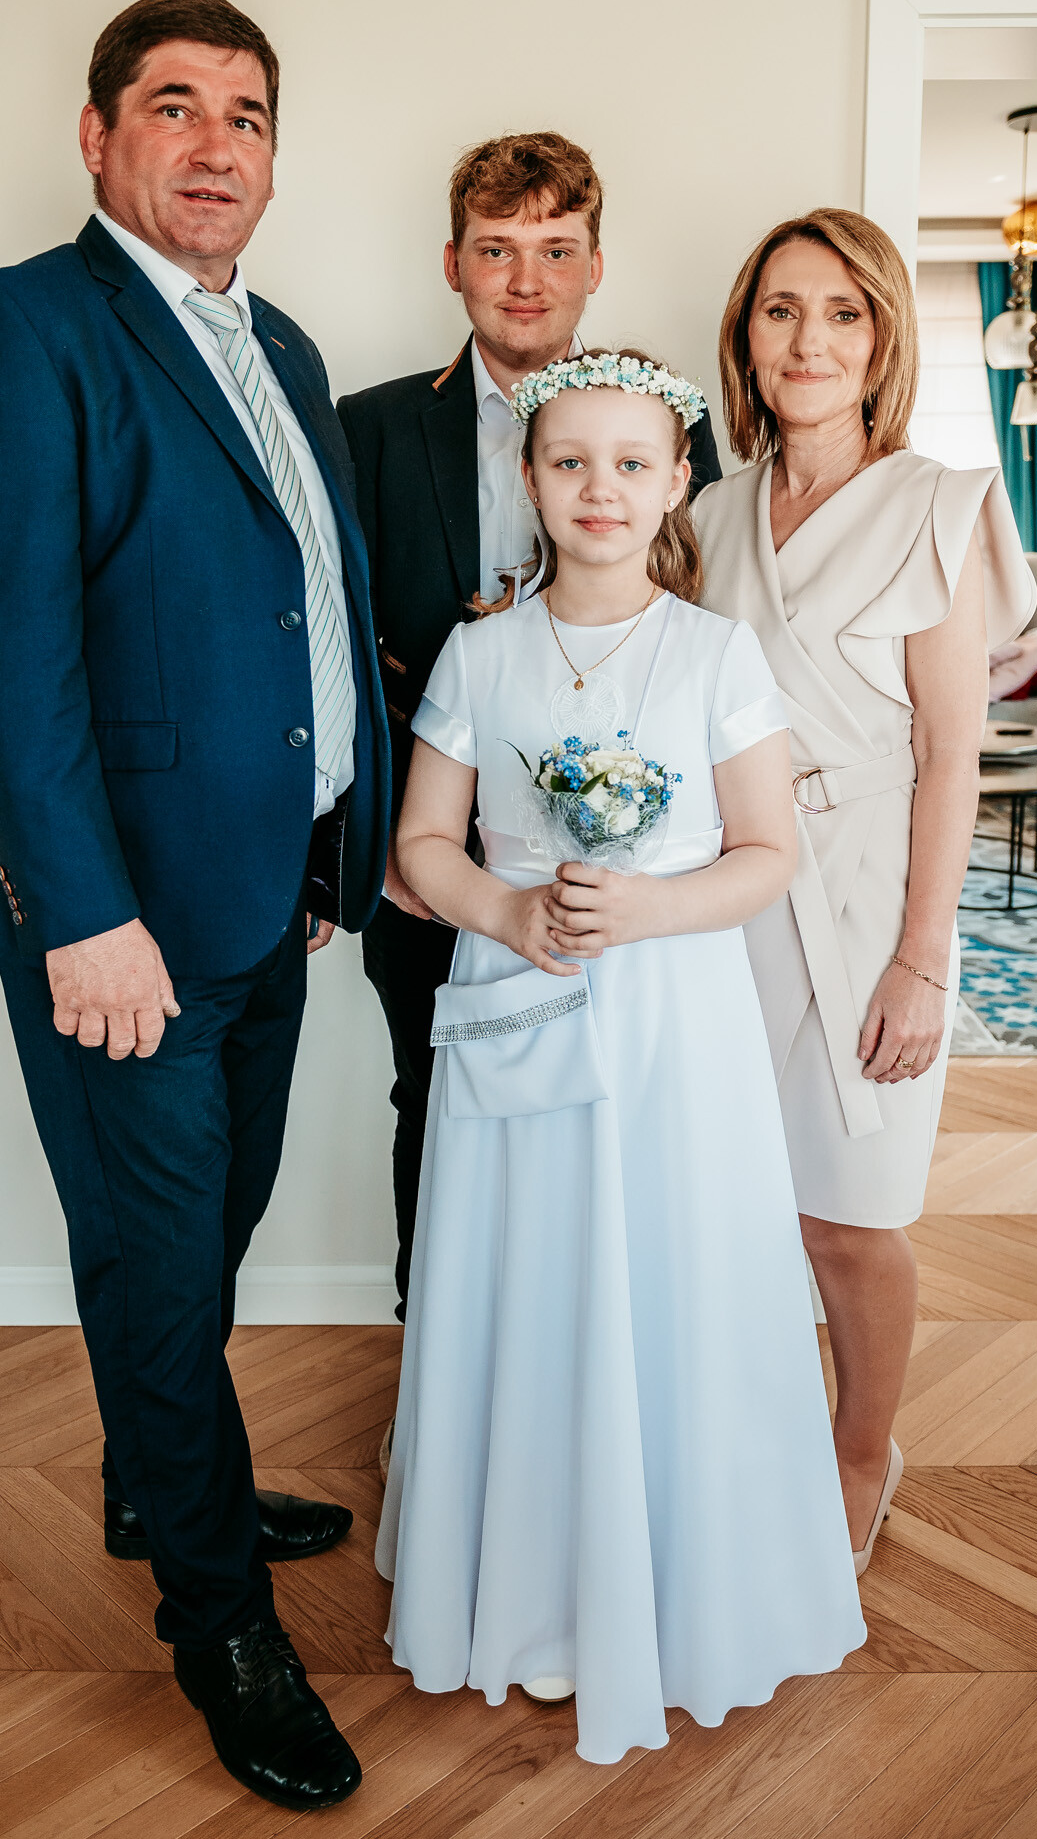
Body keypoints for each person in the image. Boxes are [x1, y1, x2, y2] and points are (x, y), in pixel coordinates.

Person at [0, 0, 390, 1812]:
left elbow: (297, 612)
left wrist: (329, 849)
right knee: (159, 1253)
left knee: (209, 1227)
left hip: (269, 898)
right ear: (98, 134)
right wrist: (81, 913)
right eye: (174, 105)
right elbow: (5, 649)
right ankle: (217, 1621)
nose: (214, 144)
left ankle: (152, 1477)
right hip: (118, 923)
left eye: (246, 115)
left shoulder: (284, 343)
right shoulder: (19, 324)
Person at [374, 350, 865, 1764]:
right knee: (530, 1273)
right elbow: (422, 843)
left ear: (674, 483)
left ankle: (683, 1587)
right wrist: (505, 910)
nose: (601, 487)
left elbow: (766, 850)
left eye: (631, 462)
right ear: (528, 479)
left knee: (671, 1270)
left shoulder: (714, 654)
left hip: (673, 1019)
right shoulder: (479, 654)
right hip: (520, 994)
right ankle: (530, 1595)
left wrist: (645, 907)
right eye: (570, 461)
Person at [339, 135, 722, 1348]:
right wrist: (377, 838)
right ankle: (445, 1374)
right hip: (433, 859)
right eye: (496, 249)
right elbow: (331, 650)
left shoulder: (672, 428)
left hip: (640, 872)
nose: (524, 278)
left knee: (636, 1118)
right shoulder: (369, 428)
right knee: (441, 1098)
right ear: (452, 262)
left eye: (556, 250)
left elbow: (692, 628)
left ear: (594, 266)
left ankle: (612, 1366)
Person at [695, 210, 1035, 1575]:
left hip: (868, 890)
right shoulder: (704, 513)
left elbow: (951, 754)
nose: (809, 341)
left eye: (842, 312)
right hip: (732, 896)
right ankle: (758, 1433)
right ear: (745, 337)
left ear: (882, 339)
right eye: (781, 310)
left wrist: (921, 957)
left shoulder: (938, 505)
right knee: (743, 1204)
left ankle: (857, 1451)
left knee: (848, 1213)